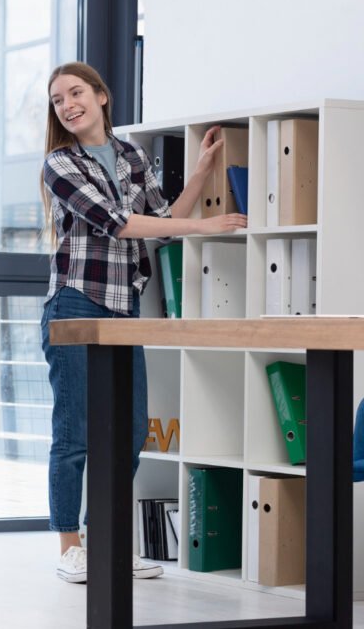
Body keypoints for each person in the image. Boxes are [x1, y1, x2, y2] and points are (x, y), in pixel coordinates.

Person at [39, 62, 247, 584]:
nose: (67, 104)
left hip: (124, 308)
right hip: (76, 305)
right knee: (75, 433)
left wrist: (199, 172)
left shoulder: (131, 155)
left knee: (129, 432)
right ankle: (70, 545)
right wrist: (203, 223)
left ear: (102, 96)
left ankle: (106, 540)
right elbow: (118, 225)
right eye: (58, 99)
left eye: (76, 92)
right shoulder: (60, 164)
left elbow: (162, 219)